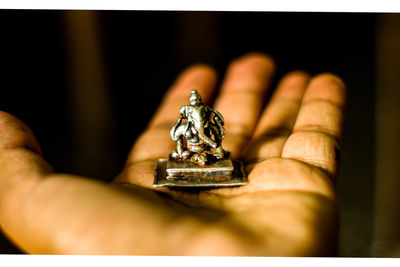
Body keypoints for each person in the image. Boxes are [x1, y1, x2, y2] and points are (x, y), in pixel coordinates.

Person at [0, 52, 345, 256]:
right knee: (187, 144)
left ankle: (204, 157)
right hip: (189, 142)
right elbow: (180, 127)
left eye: (197, 101)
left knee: (210, 148)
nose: (194, 102)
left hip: (207, 141)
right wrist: (181, 134)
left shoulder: (207, 114)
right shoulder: (185, 113)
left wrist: (213, 135)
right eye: (192, 101)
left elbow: (217, 123)